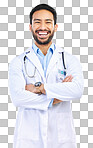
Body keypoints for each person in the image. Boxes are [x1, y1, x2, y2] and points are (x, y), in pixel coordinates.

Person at [9, 4, 84, 148]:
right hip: (28, 139)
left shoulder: (69, 59)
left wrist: (40, 88)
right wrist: (57, 95)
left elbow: (77, 90)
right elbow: (18, 98)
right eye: (37, 22)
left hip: (61, 138)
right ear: (30, 27)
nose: (42, 27)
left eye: (48, 22)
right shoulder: (18, 61)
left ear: (55, 27)